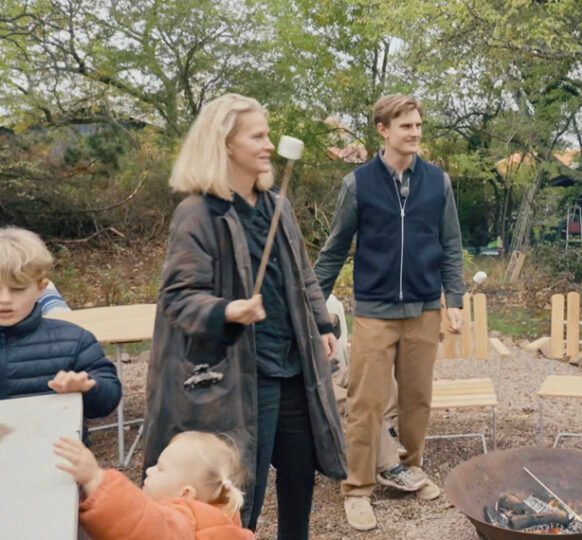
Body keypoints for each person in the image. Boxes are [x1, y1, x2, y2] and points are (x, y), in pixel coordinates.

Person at [141, 93, 346, 540]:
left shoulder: (278, 205)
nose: (269, 144)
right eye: (257, 135)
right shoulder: (198, 213)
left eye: (268, 134)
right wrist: (227, 309)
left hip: (293, 365)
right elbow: (177, 299)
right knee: (240, 488)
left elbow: (303, 276)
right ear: (225, 143)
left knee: (299, 475)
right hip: (239, 376)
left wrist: (321, 325)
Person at [314, 94, 466, 531]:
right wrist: (312, 309)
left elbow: (452, 246)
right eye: (406, 126)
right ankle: (357, 488)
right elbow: (334, 251)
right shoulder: (358, 184)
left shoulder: (438, 183)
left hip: (423, 310)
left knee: (417, 400)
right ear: (383, 130)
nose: (415, 133)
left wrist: (453, 300)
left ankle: (407, 469)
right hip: (376, 312)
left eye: (418, 125)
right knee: (366, 401)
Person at [0, 226, 121, 431]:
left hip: (53, 459)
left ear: (41, 287)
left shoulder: (75, 341)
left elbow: (108, 399)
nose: (5, 299)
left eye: (18, 289)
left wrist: (87, 386)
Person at [54, 430, 255, 540]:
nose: (149, 470)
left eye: (160, 468)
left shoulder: (183, 521)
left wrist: (95, 480)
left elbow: (140, 524)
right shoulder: (222, 523)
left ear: (184, 494)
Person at [325, 294, 426, 492]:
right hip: (311, 382)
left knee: (378, 375)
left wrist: (331, 322)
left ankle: (386, 434)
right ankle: (390, 467)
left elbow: (336, 337)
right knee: (355, 401)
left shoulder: (323, 300)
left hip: (334, 368)